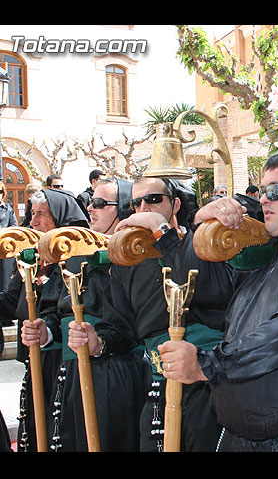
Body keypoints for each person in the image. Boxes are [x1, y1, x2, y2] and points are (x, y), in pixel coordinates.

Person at [118, 154, 278, 452]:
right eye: (263, 190)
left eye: (277, 191)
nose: (266, 200)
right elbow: (206, 290)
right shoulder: (270, 253)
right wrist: (188, 227)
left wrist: (209, 364)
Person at [72, 176, 229, 452]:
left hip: (209, 385)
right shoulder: (128, 261)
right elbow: (122, 327)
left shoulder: (202, 245)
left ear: (176, 203)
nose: (144, 207)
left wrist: (164, 235)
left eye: (154, 199)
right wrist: (98, 343)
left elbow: (217, 295)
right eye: (136, 202)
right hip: (159, 384)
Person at [50, 178, 149, 451]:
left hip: (116, 373)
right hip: (72, 370)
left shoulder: (139, 257)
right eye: (90, 203)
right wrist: (45, 330)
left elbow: (134, 323)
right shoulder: (77, 253)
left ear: (126, 209)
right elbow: (57, 307)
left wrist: (101, 344)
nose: (90, 209)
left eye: (100, 204)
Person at [16, 188, 89, 451]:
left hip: (69, 361)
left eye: (40, 215)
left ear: (59, 216)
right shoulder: (33, 255)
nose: (33, 222)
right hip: (42, 357)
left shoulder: (77, 255)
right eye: (31, 214)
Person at [0, 181, 18, 292]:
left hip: (5, 248)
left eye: (0, 191)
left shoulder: (8, 208)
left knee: (5, 284)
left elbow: (14, 226)